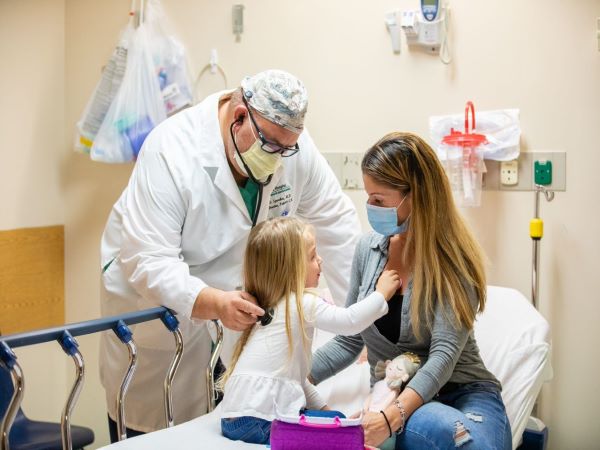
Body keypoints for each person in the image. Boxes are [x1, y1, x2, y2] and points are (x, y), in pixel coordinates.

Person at [99, 69, 361, 440]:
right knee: (154, 428)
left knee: (228, 425)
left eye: (286, 150)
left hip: (235, 323)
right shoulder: (172, 150)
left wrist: (362, 323)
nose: (278, 159)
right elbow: (148, 260)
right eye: (270, 147)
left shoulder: (291, 146)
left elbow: (337, 223)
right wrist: (211, 302)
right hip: (160, 308)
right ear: (239, 116)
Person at [310, 132, 512, 450]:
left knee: (467, 441)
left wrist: (391, 419)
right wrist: (293, 378)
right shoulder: (368, 250)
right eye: (368, 197)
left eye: (379, 200)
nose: (370, 208)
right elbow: (350, 338)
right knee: (434, 425)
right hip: (401, 399)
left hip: (465, 394)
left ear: (415, 196)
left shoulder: (453, 261)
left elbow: (443, 356)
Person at [219, 217, 401, 445]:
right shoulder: (300, 303)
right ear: (291, 268)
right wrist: (381, 294)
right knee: (336, 436)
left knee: (334, 420)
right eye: (313, 256)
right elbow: (349, 321)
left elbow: (298, 382)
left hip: (235, 421)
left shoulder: (274, 308)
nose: (320, 261)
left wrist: (327, 410)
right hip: (260, 419)